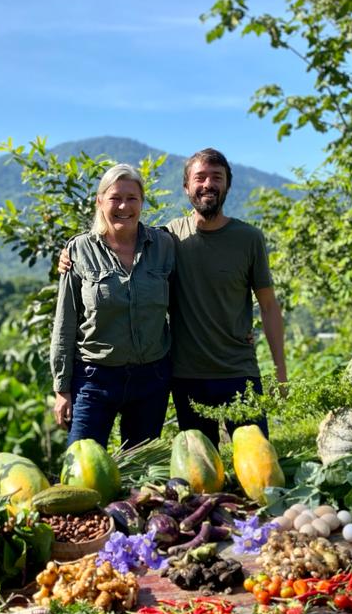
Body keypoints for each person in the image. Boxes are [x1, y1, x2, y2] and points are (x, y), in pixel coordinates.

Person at [60, 148, 287, 448]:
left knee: (259, 458)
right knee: (202, 472)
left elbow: (269, 306)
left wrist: (280, 372)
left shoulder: (248, 239)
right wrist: (68, 254)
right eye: (200, 177)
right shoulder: (169, 238)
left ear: (228, 185)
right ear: (186, 187)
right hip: (185, 375)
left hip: (238, 371)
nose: (208, 184)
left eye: (216, 178)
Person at [50, 163, 176, 449]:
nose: (123, 206)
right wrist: (62, 388)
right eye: (115, 198)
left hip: (151, 378)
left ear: (142, 202)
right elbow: (65, 323)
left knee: (140, 474)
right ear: (99, 201)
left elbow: (189, 300)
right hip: (94, 379)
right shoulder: (80, 250)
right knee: (81, 467)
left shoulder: (164, 246)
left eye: (132, 198)